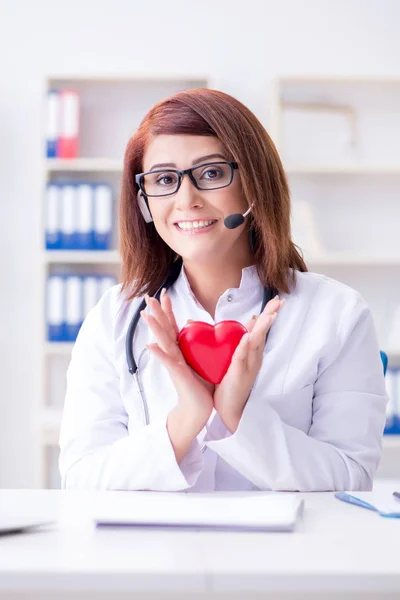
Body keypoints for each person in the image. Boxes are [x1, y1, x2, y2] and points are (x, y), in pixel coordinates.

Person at [58, 88, 388, 492]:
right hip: (150, 556)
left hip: (288, 556)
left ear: (253, 183)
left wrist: (237, 412)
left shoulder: (337, 314)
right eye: (163, 179)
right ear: (144, 201)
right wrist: (188, 417)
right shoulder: (115, 317)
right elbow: (80, 479)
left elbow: (351, 476)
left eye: (211, 173)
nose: (186, 199)